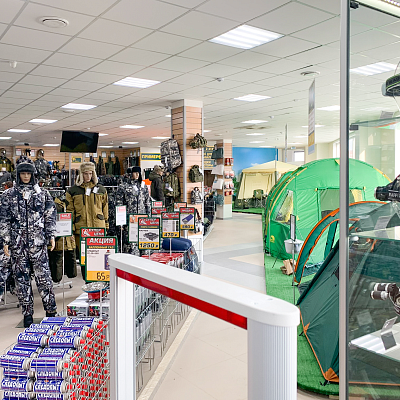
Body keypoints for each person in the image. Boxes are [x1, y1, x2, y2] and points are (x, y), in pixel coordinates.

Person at [0, 158, 57, 327]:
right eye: (23, 173)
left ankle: (51, 311)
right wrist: (6, 240)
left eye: (28, 173)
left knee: (44, 278)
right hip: (18, 245)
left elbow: (50, 215)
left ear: (33, 175)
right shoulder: (8, 195)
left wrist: (51, 235)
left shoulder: (42, 194)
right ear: (18, 175)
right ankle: (27, 314)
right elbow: (4, 219)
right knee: (22, 280)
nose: (26, 176)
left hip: (38, 244)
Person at [66, 162, 109, 279]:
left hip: (98, 228)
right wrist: (71, 230)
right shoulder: (73, 191)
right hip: (81, 229)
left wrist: (106, 225)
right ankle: (87, 280)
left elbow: (105, 208)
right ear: (81, 174)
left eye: (90, 173)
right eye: (85, 174)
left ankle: (98, 281)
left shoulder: (101, 190)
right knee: (84, 257)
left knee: (98, 255)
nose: (88, 176)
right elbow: (70, 211)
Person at [116, 166, 151, 255]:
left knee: (143, 243)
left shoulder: (143, 186)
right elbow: (119, 204)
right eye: (135, 173)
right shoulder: (123, 186)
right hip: (129, 220)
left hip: (142, 219)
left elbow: (147, 202)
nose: (137, 175)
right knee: (130, 245)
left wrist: (149, 217)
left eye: (138, 173)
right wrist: (121, 221)